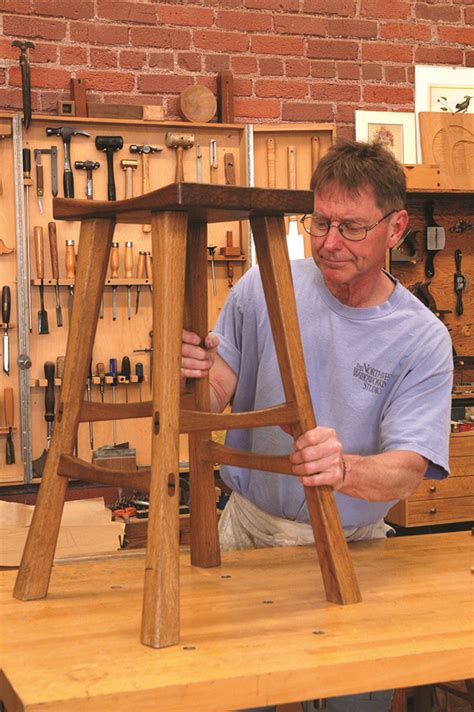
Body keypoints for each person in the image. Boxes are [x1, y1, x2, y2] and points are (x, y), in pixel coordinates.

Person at [181, 139, 453, 711]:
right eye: (320, 222)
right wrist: (189, 377)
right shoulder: (263, 285)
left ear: (396, 226)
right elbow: (213, 398)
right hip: (248, 540)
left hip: (355, 552)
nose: (329, 243)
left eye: (351, 227)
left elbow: (407, 470)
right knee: (236, 696)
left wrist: (344, 468)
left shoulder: (422, 338)